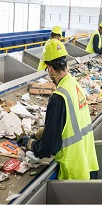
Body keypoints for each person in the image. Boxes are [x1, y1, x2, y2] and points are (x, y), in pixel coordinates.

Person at [17, 39, 99, 180]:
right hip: (89, 163)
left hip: (74, 174)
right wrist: (38, 135)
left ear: (49, 68)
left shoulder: (58, 97)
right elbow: (66, 123)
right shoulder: (74, 84)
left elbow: (48, 148)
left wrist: (30, 143)